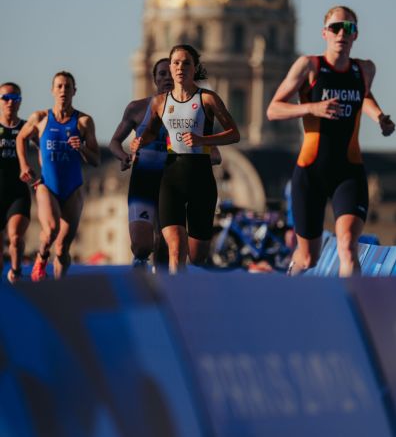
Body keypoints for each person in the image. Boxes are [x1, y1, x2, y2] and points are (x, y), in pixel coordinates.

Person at [266, 5, 395, 276]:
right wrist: (312, 108)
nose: (341, 33)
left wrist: (379, 116)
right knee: (307, 258)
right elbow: (274, 109)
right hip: (311, 171)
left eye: (348, 28)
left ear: (355, 35)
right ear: (325, 33)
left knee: (348, 245)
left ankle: (351, 311)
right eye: (335, 28)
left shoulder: (365, 69)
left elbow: (364, 95)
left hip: (348, 171)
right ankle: (289, 301)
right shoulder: (310, 66)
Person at [133, 44, 240, 273]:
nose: (180, 67)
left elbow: (234, 134)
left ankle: (192, 283)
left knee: (197, 255)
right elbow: (151, 130)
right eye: (176, 63)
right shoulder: (160, 102)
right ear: (170, 67)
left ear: (195, 68)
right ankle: (175, 299)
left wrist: (204, 140)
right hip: (171, 178)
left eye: (186, 63)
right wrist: (140, 140)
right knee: (175, 247)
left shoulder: (207, 99)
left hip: (201, 179)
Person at [16, 71, 100, 281]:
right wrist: (24, 164)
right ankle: (42, 256)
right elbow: (20, 138)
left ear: (74, 91)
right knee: (51, 229)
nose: (63, 90)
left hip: (73, 187)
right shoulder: (41, 118)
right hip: (47, 185)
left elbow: (96, 159)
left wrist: (81, 147)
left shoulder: (83, 122)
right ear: (53, 90)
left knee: (63, 248)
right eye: (59, 86)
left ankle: (58, 286)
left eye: (67, 87)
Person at [109, 58, 173, 269]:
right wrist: (123, 156)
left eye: (171, 73)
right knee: (142, 246)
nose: (167, 78)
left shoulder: (192, 111)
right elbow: (115, 142)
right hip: (144, 180)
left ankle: (163, 293)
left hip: (172, 184)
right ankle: (140, 272)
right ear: (154, 78)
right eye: (162, 74)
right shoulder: (137, 108)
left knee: (165, 247)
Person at [0, 82, 31, 283]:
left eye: (15, 99)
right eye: (5, 98)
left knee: (16, 238)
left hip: (18, 192)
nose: (10, 103)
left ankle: (16, 271)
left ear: (20, 102)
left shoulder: (27, 127)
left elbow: (46, 147)